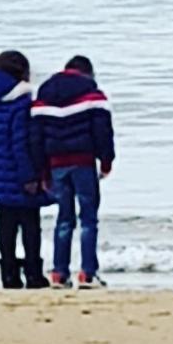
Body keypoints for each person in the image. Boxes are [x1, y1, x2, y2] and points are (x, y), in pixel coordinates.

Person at [30, 55, 115, 289]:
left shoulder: (44, 94)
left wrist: (41, 171)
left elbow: (35, 138)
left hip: (56, 164)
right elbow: (103, 131)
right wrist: (106, 161)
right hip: (83, 162)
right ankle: (87, 274)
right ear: (87, 73)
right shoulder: (93, 95)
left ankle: (59, 274)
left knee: (64, 219)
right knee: (88, 218)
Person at [0, 50, 52, 289]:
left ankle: (8, 274)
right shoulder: (21, 100)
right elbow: (21, 141)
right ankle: (33, 274)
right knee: (30, 223)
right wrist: (30, 175)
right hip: (19, 169)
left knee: (6, 223)